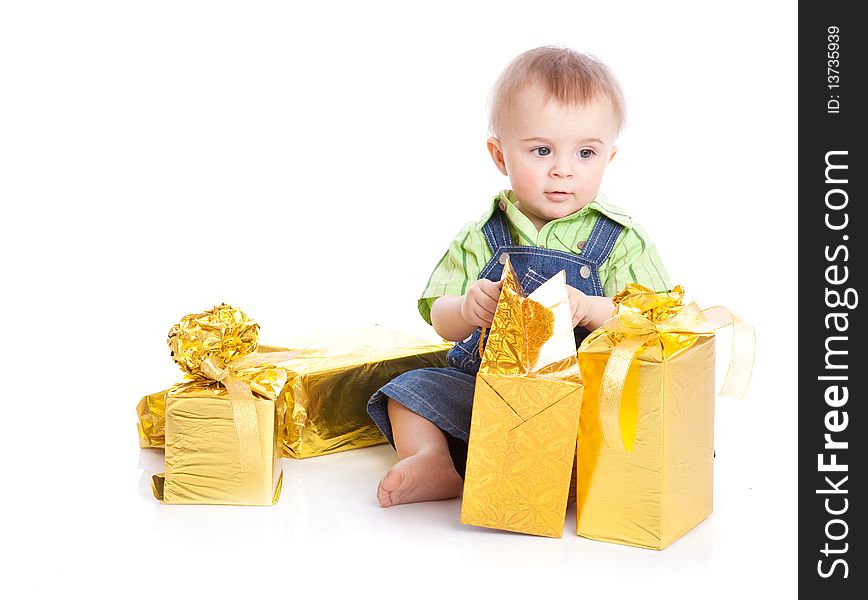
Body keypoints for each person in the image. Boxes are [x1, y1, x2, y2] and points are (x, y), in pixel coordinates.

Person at [367, 46, 671, 508]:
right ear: (499, 155)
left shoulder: (621, 239)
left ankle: (565, 469)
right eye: (542, 150)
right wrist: (468, 307)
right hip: (487, 392)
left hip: (577, 400)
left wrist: (592, 309)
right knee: (407, 392)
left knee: (633, 419)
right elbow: (440, 316)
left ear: (608, 158)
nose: (562, 169)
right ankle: (433, 460)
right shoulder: (482, 235)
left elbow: (651, 319)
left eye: (585, 152)